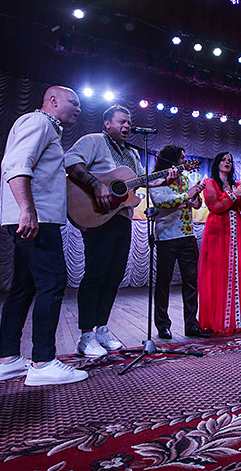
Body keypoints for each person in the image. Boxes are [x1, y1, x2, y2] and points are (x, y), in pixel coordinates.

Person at [0, 85, 88, 386]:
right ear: (53, 101)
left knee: (23, 287)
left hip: (35, 218)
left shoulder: (47, 128)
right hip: (37, 220)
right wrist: (27, 210)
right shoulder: (39, 122)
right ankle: (44, 362)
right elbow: (15, 165)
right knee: (53, 282)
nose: (79, 109)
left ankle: (7, 360)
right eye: (74, 102)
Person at [64, 106, 176, 358]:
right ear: (107, 123)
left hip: (122, 217)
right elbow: (70, 162)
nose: (127, 126)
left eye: (129, 122)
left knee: (114, 276)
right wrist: (97, 185)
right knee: (96, 274)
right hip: (97, 215)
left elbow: (136, 183)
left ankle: (101, 328)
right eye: (122, 121)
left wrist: (162, 181)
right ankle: (86, 335)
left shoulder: (132, 153)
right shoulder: (93, 141)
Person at [149, 145, 210, 339]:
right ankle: (162, 325)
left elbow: (196, 205)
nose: (184, 161)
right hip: (166, 236)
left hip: (188, 236)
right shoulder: (156, 179)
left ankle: (192, 325)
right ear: (171, 159)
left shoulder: (185, 178)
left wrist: (196, 192)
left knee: (191, 282)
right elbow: (161, 202)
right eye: (182, 158)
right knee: (164, 282)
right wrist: (187, 195)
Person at [197, 152, 241, 335]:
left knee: (236, 273)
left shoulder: (236, 184)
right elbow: (215, 207)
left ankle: (236, 320)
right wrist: (234, 195)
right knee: (217, 273)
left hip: (235, 231)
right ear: (217, 163)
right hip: (217, 231)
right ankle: (217, 320)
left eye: (230, 161)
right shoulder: (210, 183)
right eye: (223, 160)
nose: (227, 163)